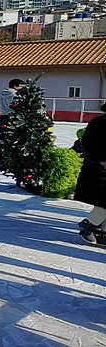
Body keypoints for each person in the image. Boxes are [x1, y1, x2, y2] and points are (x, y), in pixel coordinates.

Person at [75, 103, 106, 247]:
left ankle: (103, 232)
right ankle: (89, 224)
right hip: (99, 170)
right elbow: (89, 145)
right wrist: (102, 160)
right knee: (103, 202)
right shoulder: (99, 123)